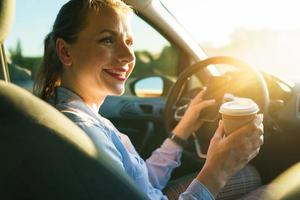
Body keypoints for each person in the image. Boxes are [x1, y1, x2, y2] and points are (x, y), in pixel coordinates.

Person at [33, 0, 264, 199]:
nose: (128, 55)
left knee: (250, 175)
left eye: (129, 42)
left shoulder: (80, 113)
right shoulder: (85, 132)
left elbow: (143, 180)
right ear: (65, 52)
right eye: (107, 40)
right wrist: (217, 171)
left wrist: (183, 128)